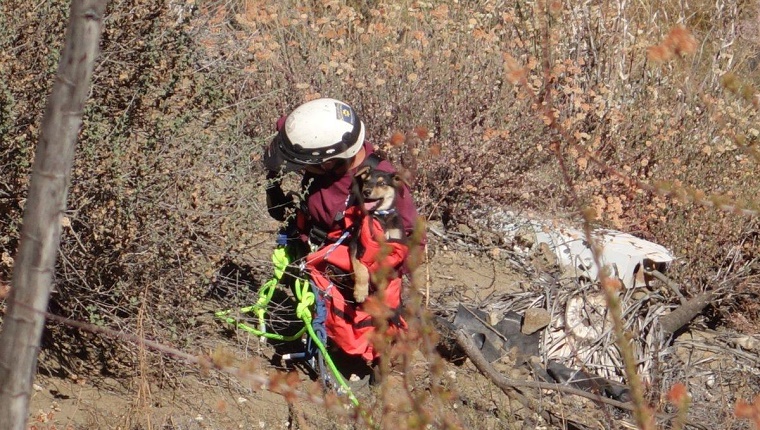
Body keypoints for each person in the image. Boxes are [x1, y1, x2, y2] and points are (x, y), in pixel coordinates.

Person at [262, 97, 423, 377]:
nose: (302, 170)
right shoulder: (326, 139)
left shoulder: (380, 191)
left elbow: (394, 253)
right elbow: (295, 132)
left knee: (358, 330)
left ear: (332, 162)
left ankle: (378, 365)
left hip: (358, 269)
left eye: (307, 165)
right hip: (317, 249)